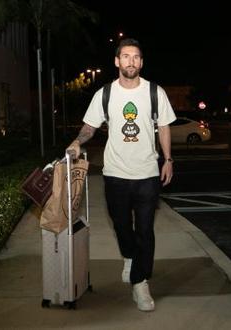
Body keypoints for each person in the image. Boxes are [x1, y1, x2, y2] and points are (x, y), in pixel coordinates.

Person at [66, 38, 176, 312]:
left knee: (146, 230)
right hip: (115, 173)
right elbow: (89, 127)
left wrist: (168, 159)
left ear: (141, 62)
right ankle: (130, 256)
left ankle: (140, 283)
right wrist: (78, 141)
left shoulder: (155, 92)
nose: (131, 61)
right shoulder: (105, 94)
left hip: (148, 172)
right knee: (121, 226)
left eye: (136, 57)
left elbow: (163, 127)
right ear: (117, 62)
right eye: (125, 56)